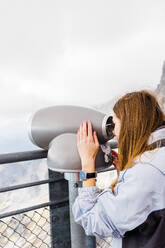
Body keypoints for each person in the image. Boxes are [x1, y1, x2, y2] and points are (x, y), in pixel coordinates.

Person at [72, 90, 165, 248]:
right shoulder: (154, 160)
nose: (113, 133)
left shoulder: (144, 173)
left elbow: (89, 219)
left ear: (130, 123)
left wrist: (87, 166)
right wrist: (124, 174)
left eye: (114, 124)